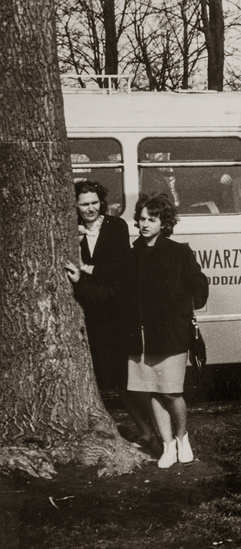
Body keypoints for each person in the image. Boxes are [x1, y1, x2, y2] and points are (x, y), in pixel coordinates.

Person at [64, 182, 158, 451]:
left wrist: (86, 269)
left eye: (94, 202)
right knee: (116, 381)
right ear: (76, 206)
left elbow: (121, 268)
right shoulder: (71, 230)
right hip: (92, 313)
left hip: (118, 311)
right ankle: (145, 432)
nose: (90, 208)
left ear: (101, 202)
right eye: (84, 204)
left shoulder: (116, 226)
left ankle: (156, 432)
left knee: (131, 379)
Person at [123, 193, 209, 469]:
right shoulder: (132, 253)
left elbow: (199, 285)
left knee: (171, 392)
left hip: (170, 333)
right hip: (141, 335)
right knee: (152, 392)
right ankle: (167, 445)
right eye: (141, 219)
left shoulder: (178, 251)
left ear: (164, 222)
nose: (144, 224)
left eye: (152, 219)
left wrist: (182, 310)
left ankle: (183, 438)